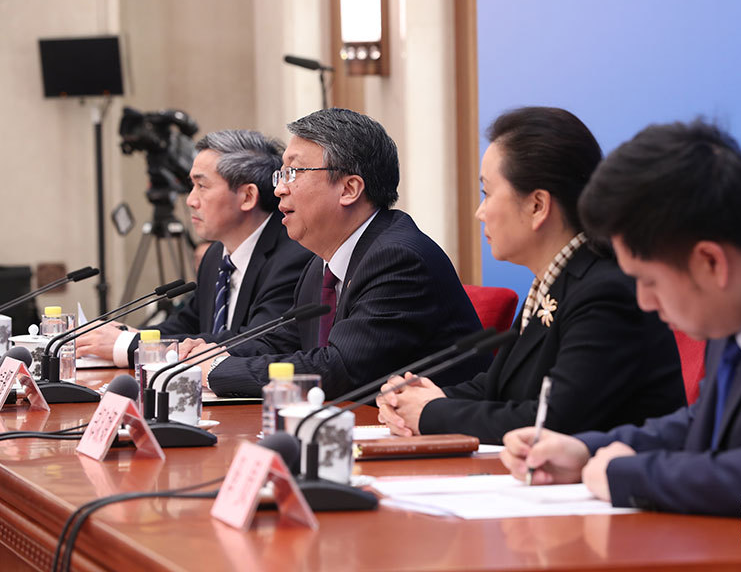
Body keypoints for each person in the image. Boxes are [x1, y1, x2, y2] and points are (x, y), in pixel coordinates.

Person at [500, 120, 741, 547]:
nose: (644, 301)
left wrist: (624, 475)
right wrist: (585, 450)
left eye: (649, 281)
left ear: (710, 262)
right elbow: (703, 421)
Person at [376, 107, 685, 444]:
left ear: (538, 205)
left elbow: (554, 422)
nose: (480, 212)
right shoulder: (556, 280)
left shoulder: (605, 292)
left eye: (487, 193)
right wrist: (418, 400)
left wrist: (431, 413)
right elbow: (499, 388)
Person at [184, 108, 488, 398]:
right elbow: (282, 340)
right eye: (282, 174)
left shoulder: (398, 259)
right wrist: (204, 355)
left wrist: (219, 370)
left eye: (294, 172)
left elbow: (340, 369)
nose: (279, 189)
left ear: (349, 189)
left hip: (441, 430)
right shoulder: (323, 262)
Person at [77, 130, 313, 367]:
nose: (190, 200)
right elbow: (186, 324)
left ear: (247, 197)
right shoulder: (215, 254)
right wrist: (129, 334)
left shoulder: (293, 256)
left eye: (202, 186)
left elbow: (256, 342)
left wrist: (131, 345)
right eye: (192, 186)